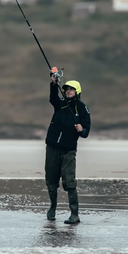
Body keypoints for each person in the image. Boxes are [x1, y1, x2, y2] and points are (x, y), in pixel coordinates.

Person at [45, 73, 91, 224]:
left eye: (71, 89)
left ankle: (75, 214)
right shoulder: (60, 103)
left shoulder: (82, 108)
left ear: (77, 91)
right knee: (51, 179)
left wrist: (81, 129)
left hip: (68, 149)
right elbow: (53, 98)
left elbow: (86, 132)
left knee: (69, 180)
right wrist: (53, 84)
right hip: (52, 146)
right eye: (66, 89)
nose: (68, 91)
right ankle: (52, 208)